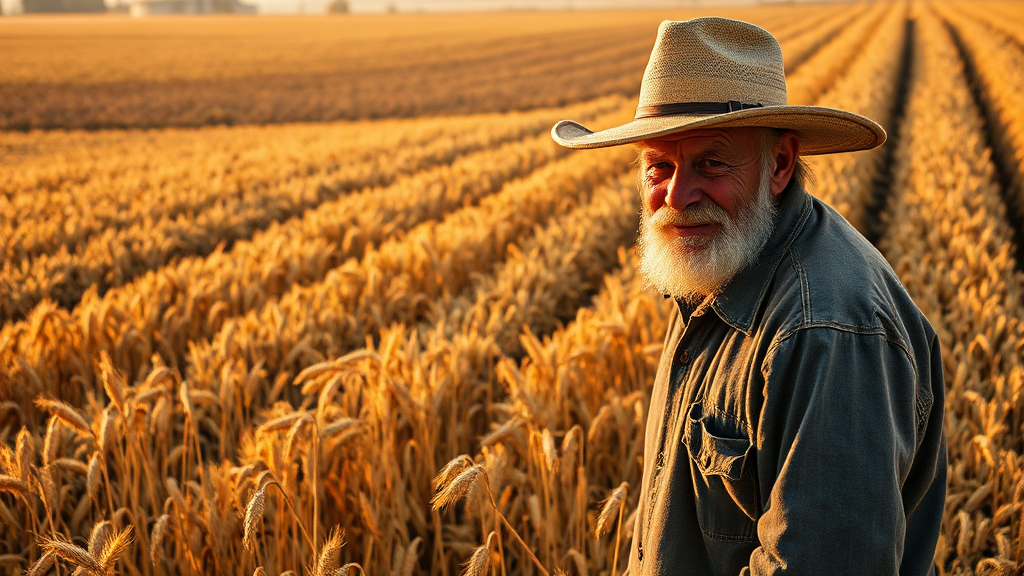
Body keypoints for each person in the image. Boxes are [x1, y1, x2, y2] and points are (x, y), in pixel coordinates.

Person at [550, 17, 946, 576]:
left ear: (780, 164)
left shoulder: (824, 330)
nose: (678, 196)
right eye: (658, 167)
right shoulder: (717, 267)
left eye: (710, 163)